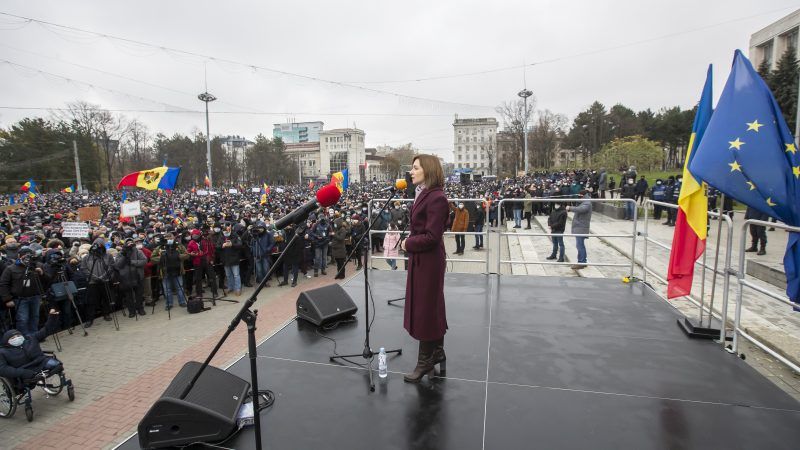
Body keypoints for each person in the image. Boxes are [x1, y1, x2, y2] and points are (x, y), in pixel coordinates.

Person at [400, 154, 449, 383]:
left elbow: (432, 236)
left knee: (426, 308)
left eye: (415, 168)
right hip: (422, 258)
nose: (411, 172)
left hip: (429, 260)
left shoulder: (437, 198)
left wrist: (407, 244)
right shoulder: (424, 193)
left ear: (428, 170)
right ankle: (437, 353)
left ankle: (424, 362)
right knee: (430, 305)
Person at [0, 247, 52, 336]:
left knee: (35, 317)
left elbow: (48, 280)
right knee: (23, 319)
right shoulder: (11, 268)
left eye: (29, 256)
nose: (27, 259)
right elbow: (3, 284)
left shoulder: (38, 266)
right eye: (25, 256)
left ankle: (34, 338)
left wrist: (42, 273)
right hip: (20, 299)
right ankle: (25, 340)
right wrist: (7, 299)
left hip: (35, 297)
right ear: (19, 256)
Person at [0, 308, 61, 381]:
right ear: (7, 342)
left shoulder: (31, 339)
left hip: (41, 362)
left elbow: (46, 330)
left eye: (18, 336)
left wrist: (53, 317)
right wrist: (22, 372)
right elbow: (3, 369)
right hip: (25, 370)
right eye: (13, 338)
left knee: (57, 365)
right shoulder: (3, 352)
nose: (17, 338)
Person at [151, 232, 190, 308]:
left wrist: (177, 256)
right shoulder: (160, 247)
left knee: (180, 287)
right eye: (167, 238)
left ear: (173, 238)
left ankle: (182, 302)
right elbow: (152, 258)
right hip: (165, 271)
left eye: (171, 237)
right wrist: (163, 258)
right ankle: (169, 304)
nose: (169, 239)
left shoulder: (179, 246)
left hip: (177, 270)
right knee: (167, 289)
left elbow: (187, 255)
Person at [113, 238, 147, 317]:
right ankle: (131, 311)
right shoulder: (120, 253)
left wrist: (132, 262)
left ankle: (140, 309)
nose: (130, 244)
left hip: (137, 276)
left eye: (131, 242)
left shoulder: (138, 252)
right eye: (128, 243)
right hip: (126, 278)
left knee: (139, 295)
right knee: (128, 296)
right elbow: (117, 265)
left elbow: (144, 261)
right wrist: (124, 256)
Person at [187, 228, 218, 299]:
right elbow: (188, 252)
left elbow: (212, 249)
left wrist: (212, 259)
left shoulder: (205, 240)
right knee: (198, 278)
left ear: (199, 235)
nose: (195, 237)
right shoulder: (191, 243)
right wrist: (191, 254)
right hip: (197, 262)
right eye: (193, 235)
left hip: (207, 260)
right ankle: (199, 293)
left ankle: (215, 292)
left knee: (212, 276)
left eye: (196, 235)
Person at [566, 190, 592, 270]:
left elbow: (581, 209)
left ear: (583, 195)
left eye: (580, 195)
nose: (579, 197)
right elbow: (579, 204)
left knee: (580, 245)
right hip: (579, 226)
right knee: (580, 245)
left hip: (581, 226)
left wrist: (570, 208)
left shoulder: (587, 203)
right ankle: (583, 261)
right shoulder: (584, 201)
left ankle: (581, 262)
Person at [216, 226, 243, 296]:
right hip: (225, 259)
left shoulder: (235, 236)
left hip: (234, 258)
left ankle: (238, 288)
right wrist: (222, 245)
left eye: (227, 231)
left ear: (230, 231)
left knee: (236, 275)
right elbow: (217, 246)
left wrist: (232, 244)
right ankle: (230, 287)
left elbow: (240, 244)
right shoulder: (221, 237)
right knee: (228, 275)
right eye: (224, 231)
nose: (226, 233)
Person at [250, 221, 274, 286]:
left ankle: (266, 282)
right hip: (257, 256)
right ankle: (261, 282)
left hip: (265, 255)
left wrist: (267, 249)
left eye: (261, 227)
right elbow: (251, 244)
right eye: (259, 227)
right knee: (259, 271)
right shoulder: (255, 235)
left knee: (266, 269)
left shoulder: (268, 234)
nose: (260, 229)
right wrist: (253, 250)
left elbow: (272, 243)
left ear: (264, 228)